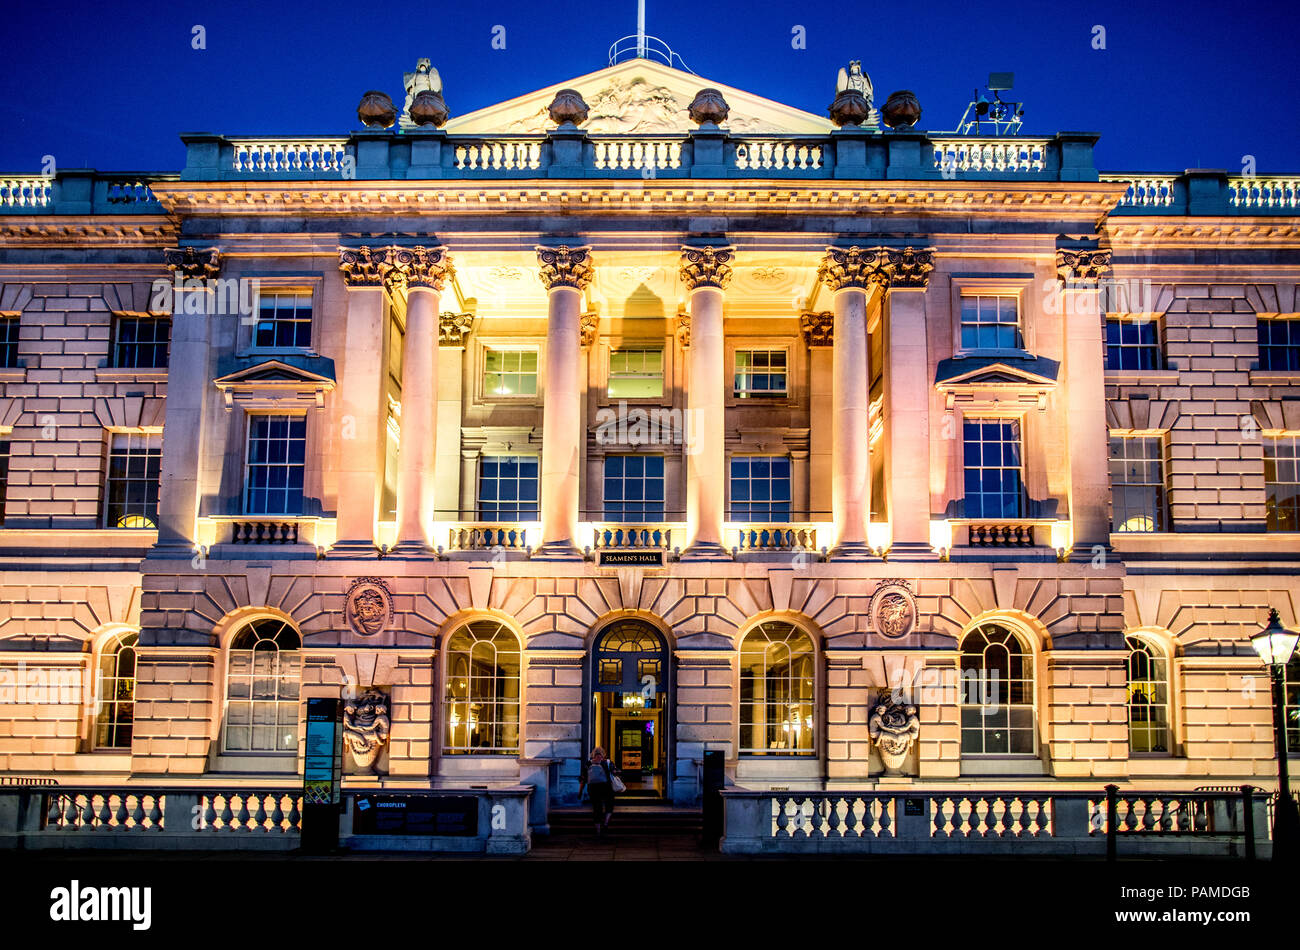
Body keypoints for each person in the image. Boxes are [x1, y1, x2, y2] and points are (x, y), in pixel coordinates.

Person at [581, 746, 617, 834]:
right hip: (606, 787)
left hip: (592, 788)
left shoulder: (588, 763)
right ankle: (605, 823)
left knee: (597, 808)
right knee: (609, 804)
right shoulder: (607, 762)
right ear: (603, 753)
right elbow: (615, 771)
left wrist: (580, 791)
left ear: (593, 753)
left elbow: (583, 778)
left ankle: (598, 830)